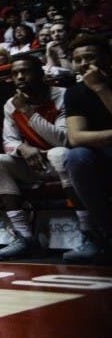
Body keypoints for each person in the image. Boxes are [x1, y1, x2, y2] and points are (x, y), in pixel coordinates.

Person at [0, 54, 70, 260]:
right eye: (15, 74)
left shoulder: (62, 95)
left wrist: (27, 111)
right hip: (34, 164)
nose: (20, 77)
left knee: (60, 153)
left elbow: (63, 139)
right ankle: (24, 236)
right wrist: (23, 148)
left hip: (64, 163)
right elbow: (9, 143)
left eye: (26, 71)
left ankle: (89, 232)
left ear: (41, 74)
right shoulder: (10, 104)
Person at [63, 34, 112, 263]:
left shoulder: (100, 85)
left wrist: (101, 88)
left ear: (106, 58)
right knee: (76, 157)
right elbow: (76, 137)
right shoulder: (74, 92)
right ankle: (105, 234)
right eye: (78, 59)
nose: (83, 64)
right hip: (102, 156)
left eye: (89, 57)